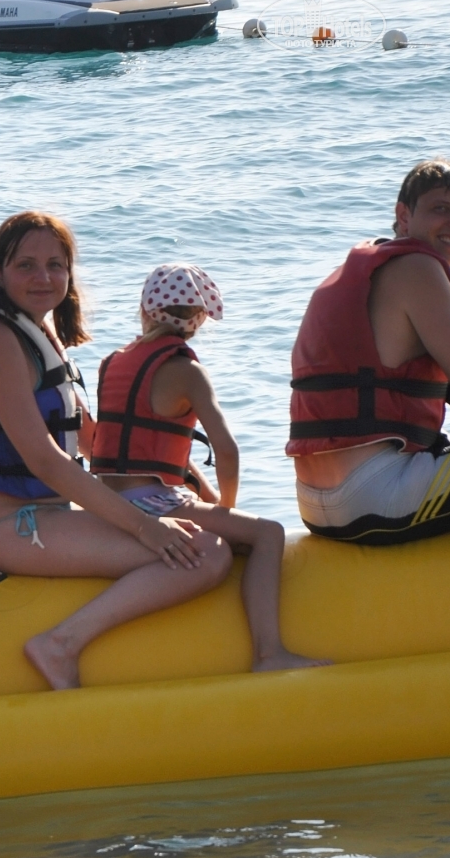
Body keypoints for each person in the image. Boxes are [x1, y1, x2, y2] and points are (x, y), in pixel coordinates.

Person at [0, 211, 236, 690]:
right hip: (8, 528)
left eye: (55, 266)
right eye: (26, 265)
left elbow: (95, 442)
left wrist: (188, 489)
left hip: (48, 518)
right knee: (205, 553)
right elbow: (45, 460)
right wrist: (145, 527)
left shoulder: (38, 335)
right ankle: (61, 643)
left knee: (207, 531)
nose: (43, 277)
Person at [288, 159, 450, 639]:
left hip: (316, 507)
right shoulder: (418, 268)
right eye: (441, 208)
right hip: (377, 498)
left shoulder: (354, 274)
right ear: (403, 215)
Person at [90, 265, 328, 672]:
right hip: (153, 504)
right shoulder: (188, 372)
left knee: (236, 526)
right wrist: (227, 510)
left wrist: (207, 499)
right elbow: (228, 451)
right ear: (199, 320)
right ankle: (269, 653)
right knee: (268, 533)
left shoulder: (112, 363)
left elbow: (149, 450)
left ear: (144, 310)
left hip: (108, 505)